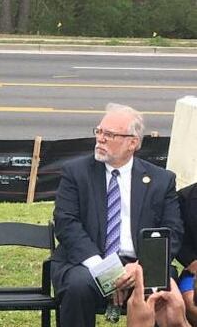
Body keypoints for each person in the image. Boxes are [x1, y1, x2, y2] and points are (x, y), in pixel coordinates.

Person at [52, 102, 183, 327]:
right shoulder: (76, 173)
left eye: (110, 134)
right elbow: (66, 223)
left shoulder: (161, 180)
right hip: (88, 262)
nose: (100, 139)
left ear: (132, 143)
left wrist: (142, 267)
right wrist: (107, 271)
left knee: (163, 292)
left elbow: (173, 232)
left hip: (141, 263)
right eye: (99, 131)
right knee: (77, 286)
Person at [175, 181, 197, 325]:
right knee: (192, 304)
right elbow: (177, 237)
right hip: (195, 268)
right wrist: (191, 260)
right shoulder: (185, 198)